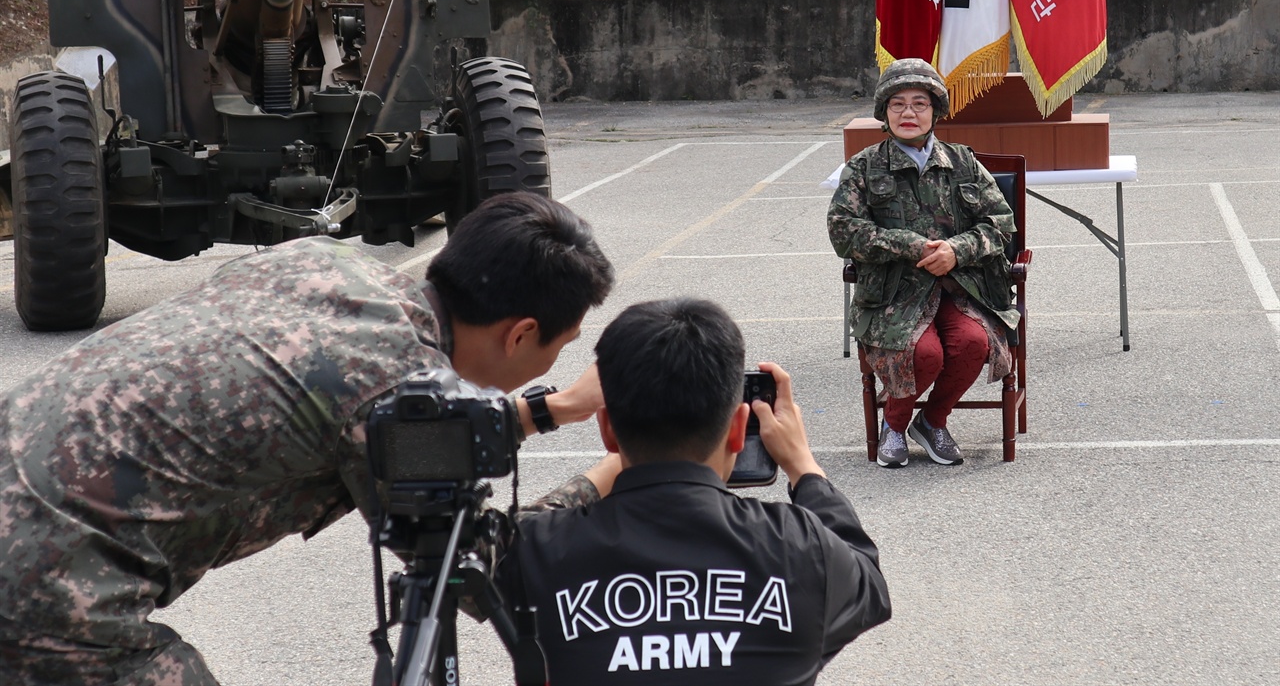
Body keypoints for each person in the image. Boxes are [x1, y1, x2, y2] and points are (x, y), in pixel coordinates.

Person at [0, 191, 614, 686]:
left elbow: (364, 404)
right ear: (521, 334)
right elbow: (490, 574)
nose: (554, 360)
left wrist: (552, 410)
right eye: (559, 347)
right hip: (37, 588)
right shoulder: (391, 390)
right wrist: (608, 477)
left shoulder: (324, 265)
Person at [498, 298, 891, 686]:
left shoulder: (539, 549)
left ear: (607, 430)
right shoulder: (801, 549)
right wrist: (803, 466)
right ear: (738, 429)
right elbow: (867, 582)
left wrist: (556, 410)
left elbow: (466, 548)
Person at [828, 58, 1021, 468]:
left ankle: (932, 421)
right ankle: (895, 426)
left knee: (973, 343)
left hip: (962, 287)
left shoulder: (963, 162)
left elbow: (1002, 224)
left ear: (935, 111)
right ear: (884, 112)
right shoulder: (864, 167)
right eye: (898, 104)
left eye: (920, 103)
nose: (909, 113)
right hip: (893, 294)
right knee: (925, 354)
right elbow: (842, 231)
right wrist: (907, 245)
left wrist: (957, 250)